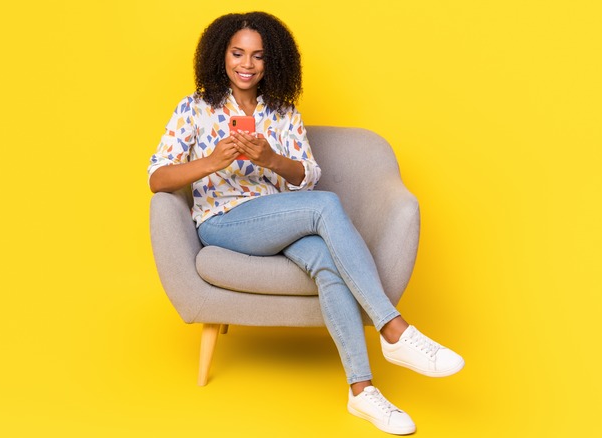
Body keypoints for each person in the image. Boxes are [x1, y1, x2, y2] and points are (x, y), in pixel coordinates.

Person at [148, 11, 464, 435]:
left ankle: (361, 392)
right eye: (237, 53)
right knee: (323, 206)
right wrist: (212, 161)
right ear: (220, 55)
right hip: (223, 221)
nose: (247, 64)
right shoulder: (195, 108)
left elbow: (308, 175)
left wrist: (269, 159)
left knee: (326, 263)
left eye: (258, 56)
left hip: (277, 218)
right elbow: (157, 177)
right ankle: (394, 329)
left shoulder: (282, 113)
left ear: (271, 61)